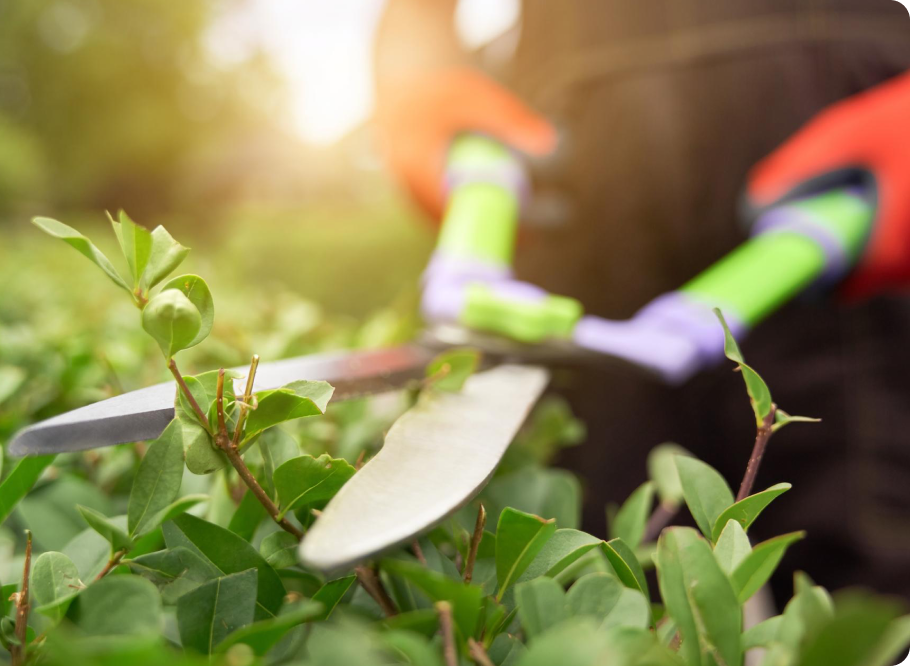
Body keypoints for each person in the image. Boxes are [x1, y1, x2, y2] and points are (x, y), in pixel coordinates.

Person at [373, 0, 910, 605]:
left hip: (848, 110)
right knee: (579, 588)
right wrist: (417, 63)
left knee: (874, 606)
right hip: (579, 148)